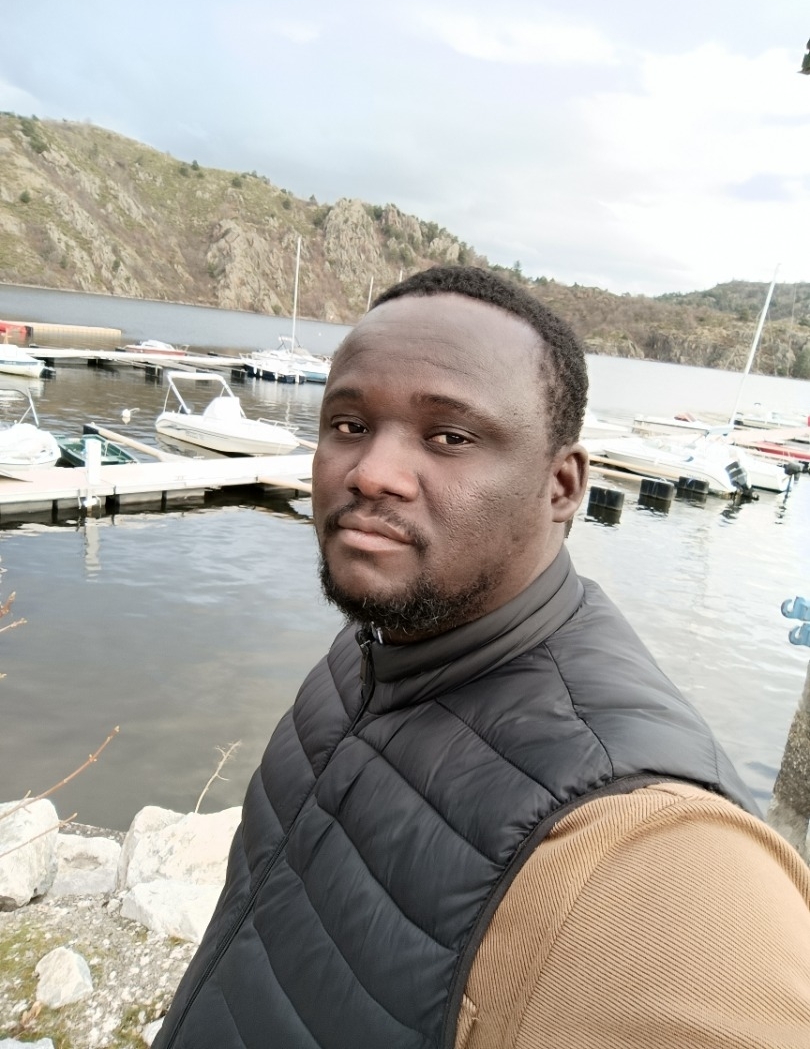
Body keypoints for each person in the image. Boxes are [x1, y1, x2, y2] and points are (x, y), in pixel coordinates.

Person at [154, 266, 810, 1049]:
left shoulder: (649, 847)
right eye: (349, 424)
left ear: (561, 486)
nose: (371, 472)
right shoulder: (374, 648)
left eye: (449, 437)